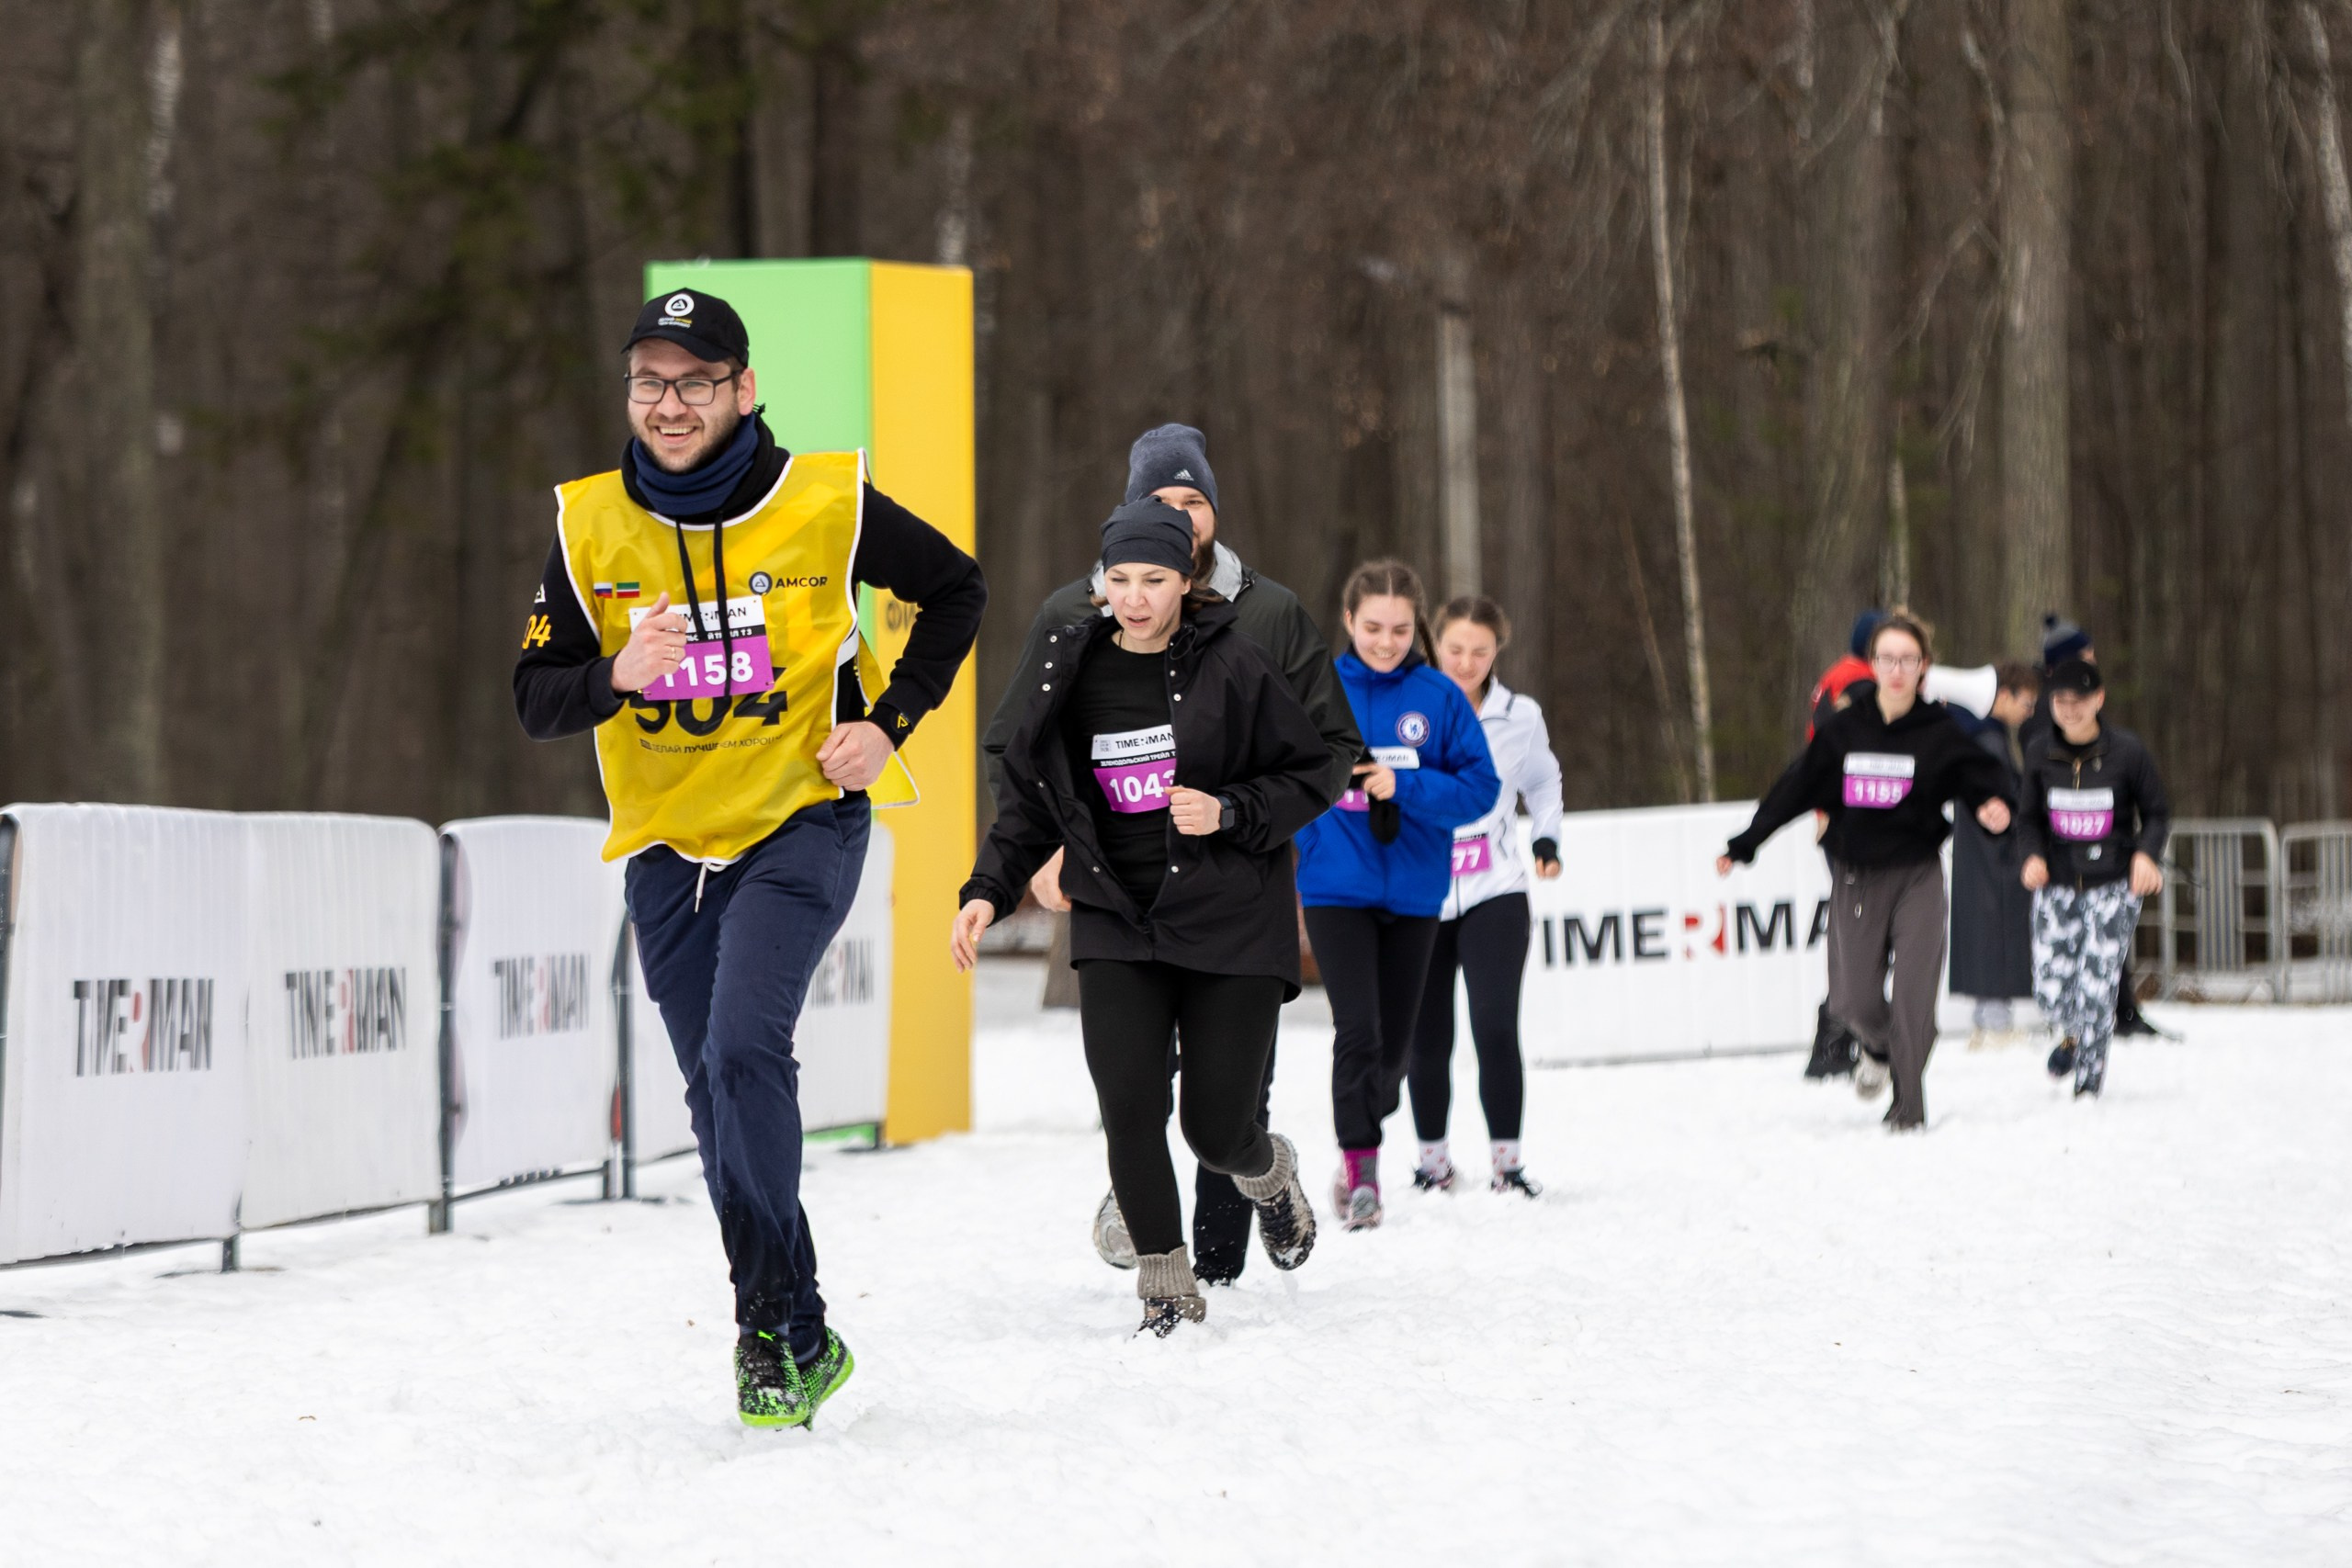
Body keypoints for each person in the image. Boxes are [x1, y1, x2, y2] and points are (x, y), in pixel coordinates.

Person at [514, 289, 985, 1427]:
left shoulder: (821, 500)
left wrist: (890, 724)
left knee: (741, 1048)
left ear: (743, 390)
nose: (668, 406)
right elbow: (533, 699)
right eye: (648, 383)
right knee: (713, 1098)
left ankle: (762, 1328)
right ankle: (794, 1328)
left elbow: (957, 587)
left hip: (799, 818)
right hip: (669, 845)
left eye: (693, 382)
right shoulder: (588, 526)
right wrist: (616, 675)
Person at [981, 424, 1362, 1285]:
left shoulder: (1265, 615)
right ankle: (1161, 1241)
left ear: (1212, 519)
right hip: (1119, 899)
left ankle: (1238, 1214)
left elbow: (1324, 752)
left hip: (1231, 897)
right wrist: (1032, 851)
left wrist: (1238, 815)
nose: (1179, 519)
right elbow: (1017, 749)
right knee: (1131, 1088)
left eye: (1193, 503)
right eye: (1160, 505)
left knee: (1221, 1110)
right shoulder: (1072, 620)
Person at [1716, 612, 2015, 1130]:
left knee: (1914, 1003)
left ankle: (1907, 1113)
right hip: (1857, 877)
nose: (1897, 669)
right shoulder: (1844, 729)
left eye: (1908, 659)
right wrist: (1747, 842)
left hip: (1919, 877)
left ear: (1923, 667)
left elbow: (1985, 783)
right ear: (1872, 665)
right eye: (1887, 659)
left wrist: (1993, 809)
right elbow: (1796, 786)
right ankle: (1878, 1048)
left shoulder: (1939, 732)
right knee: (1852, 1002)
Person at [1295, 560, 1499, 1227]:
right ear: (1349, 621)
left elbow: (1482, 787)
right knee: (1356, 1029)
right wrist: (1307, 841)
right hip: (1336, 885)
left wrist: (1403, 785)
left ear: (1419, 628)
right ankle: (1362, 1174)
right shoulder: (1313, 687)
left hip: (1415, 889)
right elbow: (1277, 773)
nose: (1386, 641)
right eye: (1373, 627)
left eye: (1401, 629)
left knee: (1394, 1050)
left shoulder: (1439, 696)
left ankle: (1364, 1117)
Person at [1405, 595, 1563, 1198]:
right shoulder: (1406, 707)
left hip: (1496, 889)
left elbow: (1544, 780)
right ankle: (1432, 1162)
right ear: (1434, 645)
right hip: (1420, 893)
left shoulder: (1519, 715)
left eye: (1480, 650)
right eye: (1454, 648)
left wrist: (1547, 836)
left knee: (1495, 1025)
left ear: (1498, 651)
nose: (1466, 660)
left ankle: (1508, 1163)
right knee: (1427, 1034)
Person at [2019, 658, 2171, 1098]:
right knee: (2051, 989)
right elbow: (2027, 819)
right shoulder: (2039, 753)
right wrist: (2031, 857)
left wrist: (2146, 856)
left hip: (2112, 885)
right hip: (2057, 885)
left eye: (2079, 701)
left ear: (2098, 700)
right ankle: (2072, 1035)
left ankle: (2088, 1083)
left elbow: (2157, 812)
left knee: (2096, 986)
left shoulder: (2127, 751)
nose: (2069, 710)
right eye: (2061, 701)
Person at [1796, 608, 1887, 1078]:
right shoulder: (1857, 681)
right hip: (1853, 822)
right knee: (1862, 932)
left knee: (1858, 930)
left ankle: (1840, 1037)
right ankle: (1835, 1038)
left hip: (1840, 817)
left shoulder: (1837, 675)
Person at [1950, 662, 2041, 1049]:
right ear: (2002, 695)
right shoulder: (1986, 738)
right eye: (2026, 702)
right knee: (1995, 929)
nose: (2029, 712)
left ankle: (1990, 1016)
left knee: (1987, 928)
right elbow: (2004, 794)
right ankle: (1993, 1021)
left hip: (1982, 853)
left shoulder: (1978, 733)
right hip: (1994, 855)